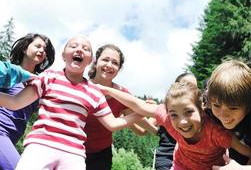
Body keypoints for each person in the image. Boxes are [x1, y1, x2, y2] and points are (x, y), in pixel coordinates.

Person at [0, 35, 141, 170]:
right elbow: (15, 102)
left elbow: (112, 123)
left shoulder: (94, 92)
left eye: (85, 48)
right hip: (40, 145)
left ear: (90, 60)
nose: (79, 49)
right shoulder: (48, 78)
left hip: (73, 153)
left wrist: (140, 114)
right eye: (73, 46)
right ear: (63, 55)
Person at [97, 80, 251, 170]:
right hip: (181, 166)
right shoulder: (167, 119)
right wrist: (107, 90)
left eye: (189, 112)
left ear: (201, 110)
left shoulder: (216, 133)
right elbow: (139, 105)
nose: (182, 122)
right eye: (174, 114)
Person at [85, 43, 158, 170]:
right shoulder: (81, 87)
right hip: (73, 149)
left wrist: (149, 111)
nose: (109, 65)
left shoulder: (123, 96)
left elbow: (141, 131)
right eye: (105, 60)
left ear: (119, 69)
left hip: (101, 155)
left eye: (115, 63)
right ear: (95, 62)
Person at [205, 60, 251, 170]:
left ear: (249, 106)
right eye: (217, 105)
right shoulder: (211, 103)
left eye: (233, 108)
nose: (223, 115)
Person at [0, 33, 55, 170]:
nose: (42, 50)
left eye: (45, 50)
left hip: (12, 138)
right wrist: (25, 75)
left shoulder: (40, 84)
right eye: (38, 46)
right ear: (25, 48)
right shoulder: (9, 72)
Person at [154, 72, 197, 170]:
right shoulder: (164, 108)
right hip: (167, 157)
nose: (190, 90)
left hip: (186, 161)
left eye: (194, 87)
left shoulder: (197, 111)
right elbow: (142, 130)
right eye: (187, 85)